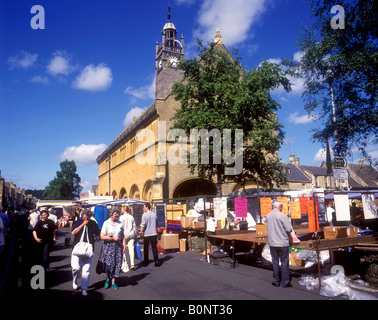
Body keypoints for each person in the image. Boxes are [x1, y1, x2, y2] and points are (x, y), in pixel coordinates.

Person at [71, 209, 100, 296]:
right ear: (82, 216)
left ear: (90, 217)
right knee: (75, 268)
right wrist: (83, 224)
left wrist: (98, 234)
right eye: (84, 217)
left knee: (86, 270)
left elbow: (98, 234)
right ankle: (75, 279)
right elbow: (73, 233)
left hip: (88, 249)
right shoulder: (78, 222)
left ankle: (84, 288)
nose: (85, 218)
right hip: (77, 248)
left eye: (87, 217)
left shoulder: (93, 223)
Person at [266, 201, 293, 288]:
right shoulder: (283, 216)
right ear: (280, 207)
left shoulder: (268, 215)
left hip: (273, 242)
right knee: (284, 262)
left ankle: (276, 281)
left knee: (275, 262)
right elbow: (289, 229)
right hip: (282, 242)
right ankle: (285, 282)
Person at [98, 210, 123, 290]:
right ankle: (107, 279)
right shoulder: (106, 223)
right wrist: (112, 237)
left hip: (117, 247)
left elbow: (123, 235)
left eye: (118, 216)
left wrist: (124, 246)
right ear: (111, 215)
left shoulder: (120, 223)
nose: (117, 217)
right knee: (108, 264)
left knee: (116, 264)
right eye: (115, 216)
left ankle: (113, 282)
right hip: (108, 246)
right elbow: (102, 236)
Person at [140, 203, 160, 267]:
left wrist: (141, 232)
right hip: (153, 233)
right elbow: (156, 224)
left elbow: (143, 225)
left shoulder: (144, 215)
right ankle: (156, 261)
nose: (143, 208)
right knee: (154, 247)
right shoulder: (154, 215)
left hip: (146, 234)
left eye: (144, 207)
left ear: (147, 207)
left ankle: (146, 260)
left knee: (146, 248)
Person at [120, 205, 137, 270]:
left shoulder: (121, 217)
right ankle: (132, 264)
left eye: (122, 209)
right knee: (131, 249)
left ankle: (124, 264)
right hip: (131, 234)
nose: (121, 210)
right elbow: (134, 227)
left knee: (123, 249)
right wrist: (135, 235)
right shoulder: (131, 217)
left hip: (124, 235)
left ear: (124, 210)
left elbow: (121, 227)